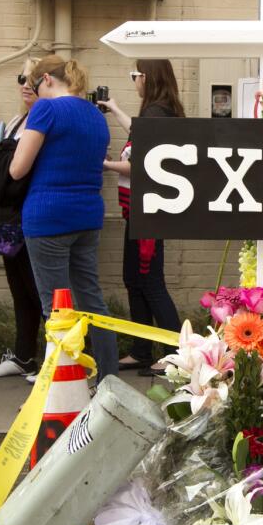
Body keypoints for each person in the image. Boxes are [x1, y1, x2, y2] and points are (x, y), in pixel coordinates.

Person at [9, 55, 119, 378]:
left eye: (33, 85)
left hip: (48, 217)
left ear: (46, 81)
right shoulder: (95, 115)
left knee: (56, 310)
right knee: (92, 303)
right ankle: (106, 380)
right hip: (87, 216)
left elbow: (18, 169)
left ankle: (63, 390)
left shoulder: (45, 110)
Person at [101, 59, 183, 373]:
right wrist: (115, 108)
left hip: (145, 213)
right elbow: (139, 134)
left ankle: (176, 352)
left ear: (146, 78)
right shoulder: (160, 112)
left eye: (135, 75)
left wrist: (106, 164)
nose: (134, 80)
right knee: (135, 279)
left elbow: (142, 165)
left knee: (149, 281)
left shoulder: (155, 113)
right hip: (144, 211)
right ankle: (141, 348)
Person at [0, 59, 45, 380]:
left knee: (38, 289)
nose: (24, 84)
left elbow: (23, 166)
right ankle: (23, 356)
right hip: (9, 215)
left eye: (31, 78)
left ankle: (55, 360)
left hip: (29, 212)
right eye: (21, 77)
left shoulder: (45, 118)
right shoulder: (20, 118)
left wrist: (0, 155)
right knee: (19, 288)